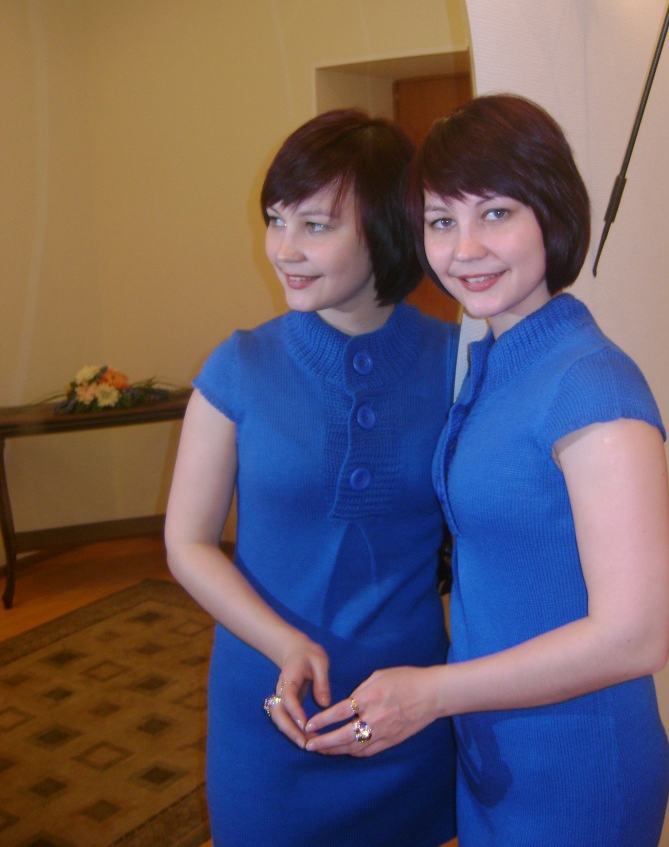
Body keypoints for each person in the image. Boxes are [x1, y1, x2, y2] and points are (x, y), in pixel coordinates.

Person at [304, 94, 669, 847]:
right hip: (495, 750)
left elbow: (636, 635)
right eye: (442, 221)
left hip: (576, 770)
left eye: (496, 213)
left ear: (552, 213)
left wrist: (433, 694)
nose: (465, 249)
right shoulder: (497, 364)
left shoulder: (591, 383)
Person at [164, 109, 458, 847]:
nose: (283, 249)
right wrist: (283, 644)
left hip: (408, 711)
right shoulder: (239, 367)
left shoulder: (457, 364)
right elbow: (187, 543)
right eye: (276, 220)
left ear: (387, 228)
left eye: (316, 226)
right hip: (272, 707)